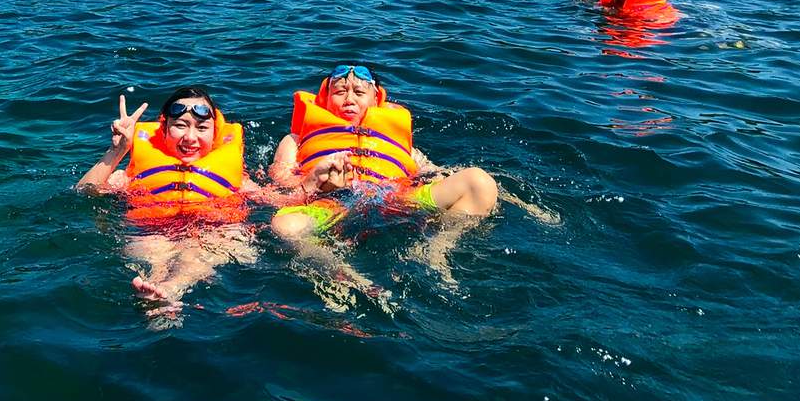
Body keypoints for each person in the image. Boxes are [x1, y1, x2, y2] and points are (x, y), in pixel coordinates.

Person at [269, 65, 501, 296]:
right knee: (285, 227)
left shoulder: (403, 147)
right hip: (330, 205)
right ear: (325, 99)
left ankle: (436, 250)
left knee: (478, 182)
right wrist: (313, 180)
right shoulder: (295, 140)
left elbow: (434, 173)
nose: (349, 99)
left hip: (396, 200)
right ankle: (340, 274)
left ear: (375, 99)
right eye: (340, 92)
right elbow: (277, 189)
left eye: (359, 93)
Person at [77, 86, 270, 324]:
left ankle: (168, 290)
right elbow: (85, 192)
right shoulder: (130, 175)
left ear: (215, 133)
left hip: (213, 233)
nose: (190, 138)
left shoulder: (239, 179)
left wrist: (313, 185)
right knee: (152, 251)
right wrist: (117, 150)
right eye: (180, 125)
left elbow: (278, 200)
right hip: (153, 232)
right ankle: (161, 294)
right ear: (164, 129)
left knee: (196, 252)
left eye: (201, 128)